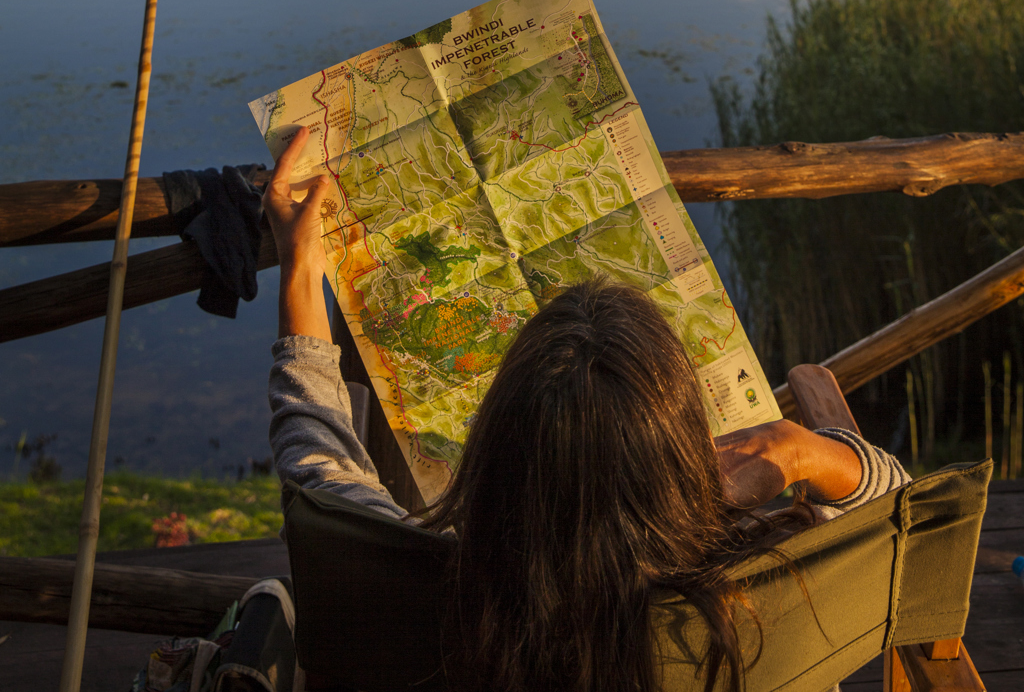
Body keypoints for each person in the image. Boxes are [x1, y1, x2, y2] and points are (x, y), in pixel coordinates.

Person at [264, 130, 908, 692]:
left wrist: (301, 267)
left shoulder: (428, 588)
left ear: (495, 451)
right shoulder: (766, 599)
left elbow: (316, 461)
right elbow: (906, 516)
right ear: (679, 459)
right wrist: (793, 447)